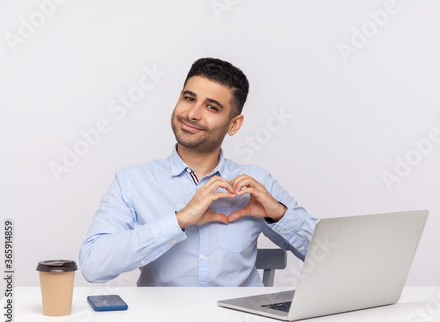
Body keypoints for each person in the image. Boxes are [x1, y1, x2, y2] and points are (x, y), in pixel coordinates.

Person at [79, 58, 317, 287]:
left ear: (234, 124)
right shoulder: (131, 181)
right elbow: (93, 266)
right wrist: (179, 220)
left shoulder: (257, 182)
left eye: (211, 107)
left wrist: (278, 213)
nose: (192, 113)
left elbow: (330, 255)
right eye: (189, 98)